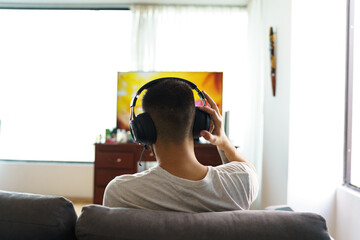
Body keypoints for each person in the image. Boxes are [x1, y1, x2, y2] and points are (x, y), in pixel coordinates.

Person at [103, 78, 258, 212]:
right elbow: (248, 169)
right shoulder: (242, 182)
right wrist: (223, 141)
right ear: (200, 125)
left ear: (144, 132)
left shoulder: (120, 192)